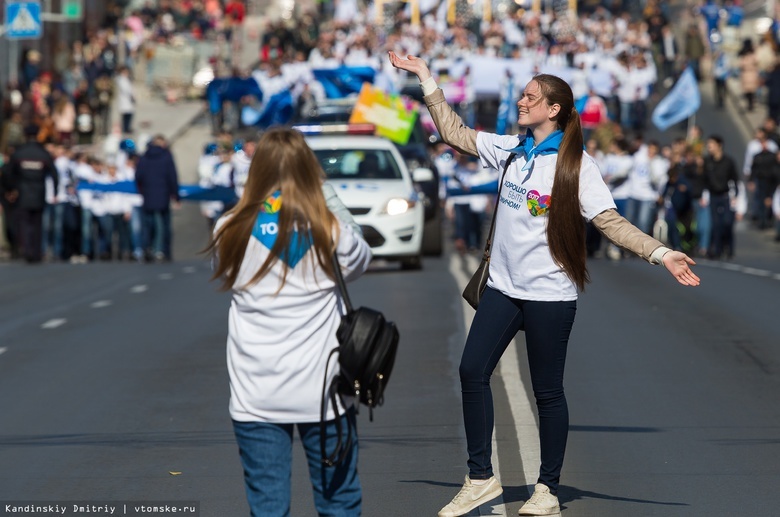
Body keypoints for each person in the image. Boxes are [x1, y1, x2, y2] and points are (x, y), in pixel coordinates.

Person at [389, 51, 700, 517]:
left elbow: (610, 222)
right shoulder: (513, 149)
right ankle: (480, 479)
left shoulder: (577, 167)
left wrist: (661, 252)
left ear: (553, 109)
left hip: (549, 294)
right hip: (503, 288)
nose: (521, 100)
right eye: (523, 94)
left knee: (547, 392)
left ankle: (547, 490)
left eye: (531, 96)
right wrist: (425, 77)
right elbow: (454, 133)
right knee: (472, 371)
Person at [205, 127, 371, 516]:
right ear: (309, 170)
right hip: (324, 394)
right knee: (339, 502)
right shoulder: (330, 230)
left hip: (256, 395)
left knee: (267, 506)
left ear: (257, 169)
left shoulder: (229, 228)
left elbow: (225, 264)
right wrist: (323, 195)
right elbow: (362, 257)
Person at [2, 124, 58, 263]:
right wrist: (55, 191)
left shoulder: (19, 153)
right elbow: (54, 173)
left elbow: (7, 173)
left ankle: (27, 250)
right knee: (37, 224)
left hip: (23, 193)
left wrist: (10, 189)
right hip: (39, 192)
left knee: (24, 224)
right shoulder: (43, 153)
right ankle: (36, 252)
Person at [134, 135, 180, 262]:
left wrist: (143, 191)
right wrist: (175, 195)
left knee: (148, 225)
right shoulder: (166, 157)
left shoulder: (144, 157)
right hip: (163, 196)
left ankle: (148, 248)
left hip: (148, 196)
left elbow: (138, 177)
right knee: (163, 225)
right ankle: (162, 250)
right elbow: (172, 177)